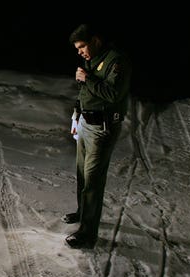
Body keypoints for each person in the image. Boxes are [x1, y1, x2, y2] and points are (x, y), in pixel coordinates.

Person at [64, 24, 132, 249]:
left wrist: (87, 79)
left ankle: (87, 234)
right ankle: (83, 213)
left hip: (102, 128)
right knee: (82, 174)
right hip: (85, 122)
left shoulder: (116, 60)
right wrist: (76, 114)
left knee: (93, 180)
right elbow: (86, 93)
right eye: (77, 48)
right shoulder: (92, 60)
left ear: (95, 41)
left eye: (82, 46)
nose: (80, 52)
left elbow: (113, 94)